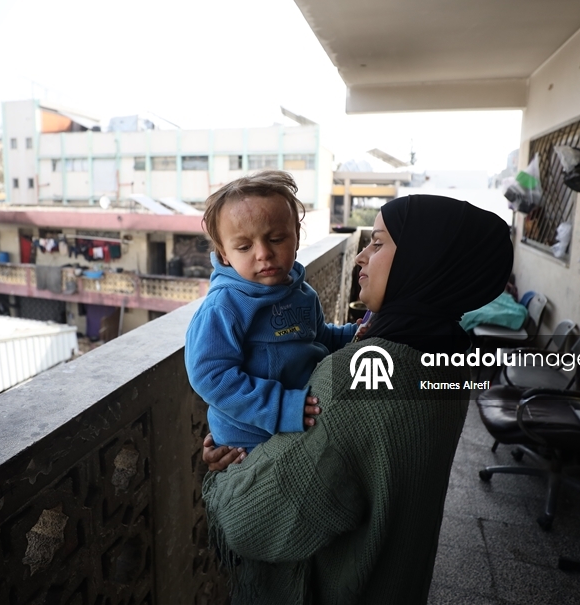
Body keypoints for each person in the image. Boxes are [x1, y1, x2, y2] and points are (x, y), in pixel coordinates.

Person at [201, 194, 514, 604]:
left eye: (378, 243)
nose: (361, 257)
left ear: (424, 260)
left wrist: (224, 474)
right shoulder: (452, 357)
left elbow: (247, 524)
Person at [185, 170, 357, 454]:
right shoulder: (224, 306)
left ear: (297, 237)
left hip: (302, 420)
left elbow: (321, 339)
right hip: (248, 441)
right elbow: (210, 376)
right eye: (244, 246)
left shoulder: (302, 294)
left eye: (276, 239)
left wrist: (354, 335)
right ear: (224, 254)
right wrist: (281, 407)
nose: (263, 253)